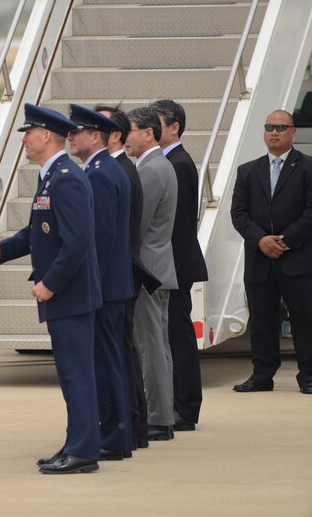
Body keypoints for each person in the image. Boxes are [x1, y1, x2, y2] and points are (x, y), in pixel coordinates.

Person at [0, 103, 102, 474]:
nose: (24, 140)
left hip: (69, 294)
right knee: (71, 375)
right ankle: (75, 444)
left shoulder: (66, 177)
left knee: (77, 374)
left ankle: (84, 450)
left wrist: (50, 284)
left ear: (45, 136)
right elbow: (37, 233)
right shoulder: (52, 175)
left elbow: (78, 242)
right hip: (65, 296)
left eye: (28, 133)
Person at [230, 109, 312, 394]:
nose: (274, 132)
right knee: (261, 319)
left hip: (297, 256)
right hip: (260, 256)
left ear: (293, 132)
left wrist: (284, 242)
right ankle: (262, 375)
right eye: (270, 127)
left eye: (282, 127)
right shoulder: (248, 170)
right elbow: (239, 214)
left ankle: (309, 374)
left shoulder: (310, 167)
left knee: (303, 318)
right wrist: (261, 240)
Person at [67, 104, 134, 461]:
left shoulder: (98, 174)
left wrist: (91, 286)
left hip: (105, 287)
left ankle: (112, 436)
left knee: (105, 363)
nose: (71, 137)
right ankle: (116, 435)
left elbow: (102, 239)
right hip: (113, 285)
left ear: (97, 136)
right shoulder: (105, 168)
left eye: (78, 131)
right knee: (110, 361)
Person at [150, 99, 208, 431]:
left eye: (157, 123)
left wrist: (165, 270)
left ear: (174, 127)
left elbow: (179, 226)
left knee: (179, 337)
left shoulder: (178, 164)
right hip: (170, 266)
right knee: (168, 337)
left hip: (175, 266)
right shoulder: (168, 161)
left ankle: (186, 407)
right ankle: (174, 403)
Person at [98, 104, 150, 450]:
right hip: (124, 274)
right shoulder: (122, 168)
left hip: (118, 276)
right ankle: (135, 426)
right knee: (124, 350)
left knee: (119, 352)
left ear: (114, 134)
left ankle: (129, 426)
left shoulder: (114, 171)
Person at [124, 106, 177, 442]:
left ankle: (158, 417)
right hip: (159, 267)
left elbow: (136, 226)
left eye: (129, 131)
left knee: (150, 346)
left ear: (147, 132)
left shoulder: (151, 170)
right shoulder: (159, 165)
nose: (125, 139)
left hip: (147, 271)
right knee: (158, 345)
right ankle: (163, 413)